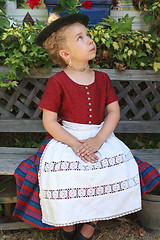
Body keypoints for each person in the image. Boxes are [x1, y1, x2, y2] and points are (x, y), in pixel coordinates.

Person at [13, 13, 160, 240]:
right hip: (67, 137)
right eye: (80, 38)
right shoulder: (58, 82)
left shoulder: (101, 79)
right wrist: (74, 144)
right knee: (63, 172)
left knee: (109, 168)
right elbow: (49, 121)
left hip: (99, 136)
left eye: (88, 35)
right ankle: (68, 224)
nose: (90, 40)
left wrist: (99, 139)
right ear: (65, 54)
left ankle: (91, 224)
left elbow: (113, 111)